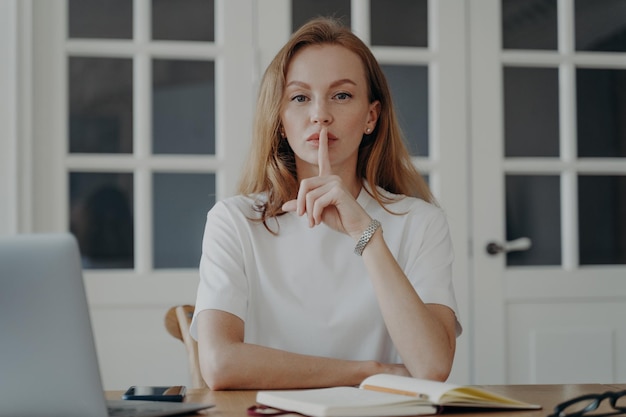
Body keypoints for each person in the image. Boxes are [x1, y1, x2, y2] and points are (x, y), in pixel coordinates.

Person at [190, 17, 461, 390]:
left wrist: (366, 233)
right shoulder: (234, 221)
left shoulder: (421, 222)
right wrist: (367, 372)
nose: (320, 114)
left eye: (342, 95)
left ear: (371, 117)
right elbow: (220, 364)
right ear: (281, 121)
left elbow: (431, 366)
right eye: (300, 97)